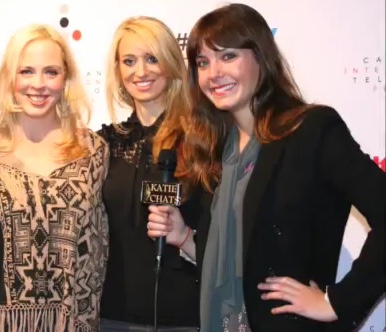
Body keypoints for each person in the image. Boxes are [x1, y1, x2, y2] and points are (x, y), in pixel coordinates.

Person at [148, 3, 386, 332]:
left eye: (228, 56)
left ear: (261, 57)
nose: (213, 73)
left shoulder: (312, 130)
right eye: (203, 62)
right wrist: (185, 238)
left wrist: (337, 301)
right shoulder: (216, 149)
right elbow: (241, 257)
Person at [0, 24, 109, 332]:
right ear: (10, 77)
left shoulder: (93, 152)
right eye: (26, 71)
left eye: (51, 72)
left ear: (65, 78)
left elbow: (98, 253)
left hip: (71, 324)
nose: (38, 84)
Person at [98, 16, 220, 331]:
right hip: (112, 316)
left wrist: (185, 237)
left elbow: (227, 244)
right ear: (117, 70)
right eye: (129, 60)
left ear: (170, 62)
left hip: (184, 317)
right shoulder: (103, 144)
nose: (141, 71)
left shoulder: (201, 139)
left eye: (152, 58)